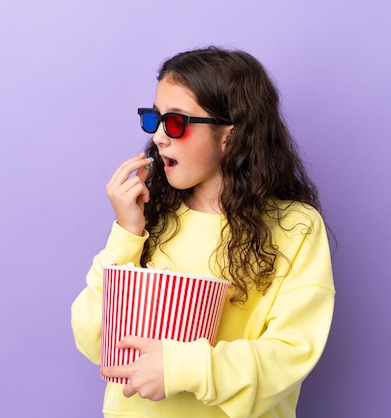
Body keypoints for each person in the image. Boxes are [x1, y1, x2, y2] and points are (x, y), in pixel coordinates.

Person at [71, 46, 335, 418]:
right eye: (155, 119)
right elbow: (93, 338)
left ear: (231, 133)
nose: (160, 137)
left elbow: (290, 355)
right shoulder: (152, 217)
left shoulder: (295, 227)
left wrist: (180, 368)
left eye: (176, 122)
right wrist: (127, 233)